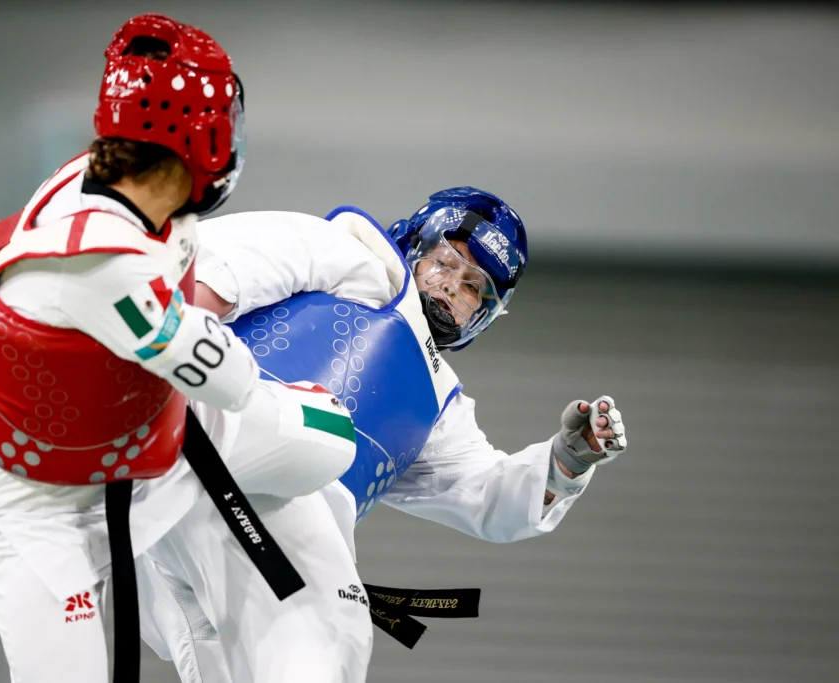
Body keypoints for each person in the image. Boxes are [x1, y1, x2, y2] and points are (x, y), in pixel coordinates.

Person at [0, 14, 367, 683]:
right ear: (202, 137)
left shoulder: (89, 183)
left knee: (331, 440)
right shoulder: (108, 271)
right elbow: (231, 378)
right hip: (39, 505)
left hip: (150, 425)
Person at [133, 187, 629, 681]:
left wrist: (566, 463)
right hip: (234, 453)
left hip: (192, 517)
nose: (454, 287)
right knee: (331, 638)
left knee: (223, 660)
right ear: (414, 243)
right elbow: (217, 271)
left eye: (475, 287)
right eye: (445, 263)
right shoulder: (346, 253)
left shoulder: (438, 404)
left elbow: (487, 494)